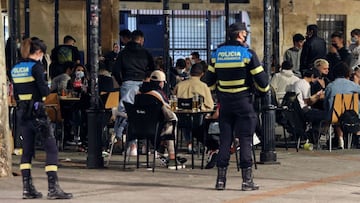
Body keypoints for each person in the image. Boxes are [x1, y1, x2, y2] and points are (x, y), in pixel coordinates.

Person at [205, 22, 269, 191]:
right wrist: (262, 93)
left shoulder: (216, 54)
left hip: (225, 103)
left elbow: (208, 82)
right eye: (245, 33)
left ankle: (220, 181)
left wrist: (220, 90)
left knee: (225, 140)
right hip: (244, 102)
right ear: (241, 34)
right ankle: (246, 181)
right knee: (245, 140)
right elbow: (263, 82)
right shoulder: (247, 54)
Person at [11, 37, 72, 199]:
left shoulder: (15, 68)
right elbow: (45, 92)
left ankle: (27, 188)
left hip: (22, 114)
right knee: (51, 148)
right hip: (38, 113)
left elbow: (16, 93)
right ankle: (53, 188)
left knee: (27, 150)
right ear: (38, 52)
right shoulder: (36, 67)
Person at [112, 29, 155, 155]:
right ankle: (142, 145)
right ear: (141, 40)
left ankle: (126, 142)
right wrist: (146, 79)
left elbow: (115, 70)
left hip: (127, 83)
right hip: (142, 85)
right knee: (140, 113)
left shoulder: (123, 53)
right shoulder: (146, 52)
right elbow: (152, 69)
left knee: (126, 112)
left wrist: (122, 82)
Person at [138, 70, 185, 169]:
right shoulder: (158, 94)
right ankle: (172, 158)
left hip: (139, 129)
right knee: (171, 123)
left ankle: (160, 154)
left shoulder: (139, 93)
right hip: (156, 130)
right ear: (161, 83)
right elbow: (168, 113)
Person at [173, 63, 214, 153]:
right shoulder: (203, 86)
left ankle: (189, 143)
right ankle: (201, 145)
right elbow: (210, 106)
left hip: (181, 119)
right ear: (202, 74)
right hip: (197, 121)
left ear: (190, 72)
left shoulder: (180, 85)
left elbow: (174, 100)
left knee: (186, 121)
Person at [324, 62, 360, 149]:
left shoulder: (330, 86)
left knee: (337, 117)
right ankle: (358, 134)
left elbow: (325, 103)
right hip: (352, 116)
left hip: (334, 116)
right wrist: (357, 82)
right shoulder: (353, 85)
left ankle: (340, 138)